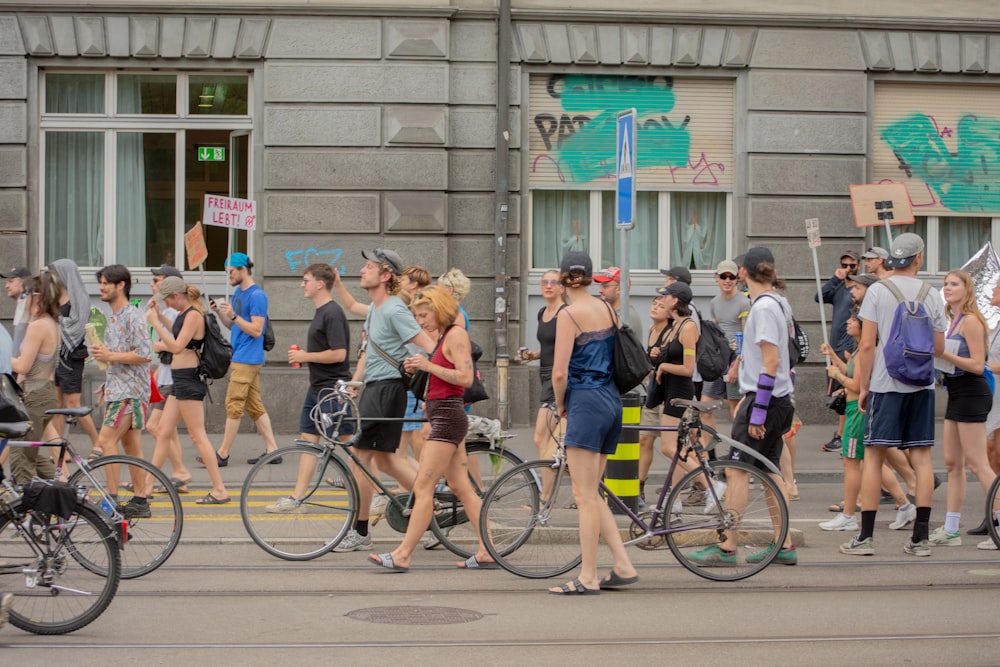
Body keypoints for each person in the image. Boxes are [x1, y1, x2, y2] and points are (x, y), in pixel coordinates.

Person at [368, 286, 496, 571]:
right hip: (442, 415)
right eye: (416, 316)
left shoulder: (456, 335)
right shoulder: (442, 337)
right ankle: (487, 550)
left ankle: (403, 554)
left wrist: (429, 365)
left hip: (449, 417)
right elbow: (443, 381)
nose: (420, 322)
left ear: (439, 310)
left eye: (423, 315)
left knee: (424, 487)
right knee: (461, 487)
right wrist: (419, 369)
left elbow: (464, 377)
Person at [689, 247, 798, 566]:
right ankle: (785, 545)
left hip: (764, 399)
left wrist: (759, 411)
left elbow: (771, 361)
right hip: (780, 398)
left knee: (737, 471)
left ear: (743, 274)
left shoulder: (763, 308)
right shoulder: (779, 302)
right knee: (769, 471)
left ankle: (726, 547)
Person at [842, 232, 946, 558]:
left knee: (873, 457)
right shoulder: (932, 294)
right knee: (922, 459)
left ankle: (865, 538)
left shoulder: (877, 291)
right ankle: (920, 539)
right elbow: (939, 348)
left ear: (892, 259)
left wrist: (866, 385)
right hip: (921, 384)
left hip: (886, 384)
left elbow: (868, 344)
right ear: (920, 258)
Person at [331, 248, 435, 552]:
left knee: (360, 458)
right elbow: (368, 351)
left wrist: (421, 366)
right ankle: (429, 509)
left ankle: (360, 531)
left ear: (385, 275)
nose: (362, 270)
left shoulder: (394, 310)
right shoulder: (377, 309)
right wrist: (355, 383)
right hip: (374, 388)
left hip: (388, 389)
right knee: (386, 460)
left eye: (368, 266)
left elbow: (428, 345)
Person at [548, 251, 638, 594]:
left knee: (583, 494)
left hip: (585, 400)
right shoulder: (607, 308)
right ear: (589, 277)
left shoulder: (568, 314)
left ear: (561, 278)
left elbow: (559, 372)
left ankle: (587, 576)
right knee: (594, 492)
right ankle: (623, 564)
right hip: (612, 400)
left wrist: (560, 404)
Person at [266, 264, 352, 513]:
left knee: (353, 446)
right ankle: (297, 498)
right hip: (317, 388)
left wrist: (306, 355)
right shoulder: (321, 312)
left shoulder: (332, 313)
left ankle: (379, 492)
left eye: (306, 280)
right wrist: (305, 356)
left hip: (331, 390)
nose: (302, 285)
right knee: (308, 441)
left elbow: (339, 354)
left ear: (320, 284)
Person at [143, 277, 229, 505]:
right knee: (163, 432)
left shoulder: (193, 315)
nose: (167, 304)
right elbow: (177, 331)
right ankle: (148, 486)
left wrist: (155, 323)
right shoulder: (184, 315)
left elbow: (177, 346)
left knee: (197, 435)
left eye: (167, 300)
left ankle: (219, 489)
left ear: (176, 296)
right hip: (179, 380)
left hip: (189, 380)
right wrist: (160, 316)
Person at [928, 270, 997, 548]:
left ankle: (999, 523)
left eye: (954, 284)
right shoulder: (953, 320)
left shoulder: (970, 321)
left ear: (967, 289)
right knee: (952, 463)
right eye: (945, 284)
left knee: (978, 463)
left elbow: (979, 365)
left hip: (972, 392)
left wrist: (943, 354)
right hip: (956, 392)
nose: (947, 288)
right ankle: (952, 528)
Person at [204, 253, 280, 466]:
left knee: (233, 404)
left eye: (231, 272)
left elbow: (256, 330)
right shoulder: (238, 292)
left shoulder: (257, 296)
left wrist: (235, 316)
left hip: (247, 358)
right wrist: (221, 313)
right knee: (254, 405)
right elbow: (233, 326)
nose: (229, 276)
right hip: (241, 355)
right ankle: (273, 450)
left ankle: (223, 453)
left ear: (242, 270)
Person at [90, 264, 153, 517]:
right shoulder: (114, 316)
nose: (101, 287)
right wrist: (107, 382)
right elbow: (118, 359)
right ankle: (140, 501)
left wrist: (109, 355)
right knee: (131, 447)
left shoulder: (133, 316)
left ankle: (111, 500)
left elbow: (145, 355)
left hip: (131, 392)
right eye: (101, 282)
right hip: (120, 389)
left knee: (106, 441)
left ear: (121, 285)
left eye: (106, 283)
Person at [652, 282, 705, 494]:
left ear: (675, 301)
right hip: (670, 391)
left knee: (668, 446)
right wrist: (659, 354)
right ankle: (675, 501)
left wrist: (664, 366)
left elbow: (689, 368)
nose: (662, 300)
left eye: (665, 296)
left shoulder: (688, 327)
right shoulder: (675, 325)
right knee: (676, 447)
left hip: (680, 392)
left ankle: (711, 486)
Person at [8, 273, 59, 483]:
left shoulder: (37, 326)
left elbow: (23, 365)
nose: (22, 301)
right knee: (32, 453)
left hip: (35, 394)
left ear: (35, 297)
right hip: (45, 391)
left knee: (20, 457)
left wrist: (5, 358)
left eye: (24, 296)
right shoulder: (51, 323)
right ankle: (64, 490)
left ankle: (25, 507)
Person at [145, 265, 192, 492]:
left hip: (174, 379)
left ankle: (179, 471)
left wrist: (157, 344)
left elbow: (178, 346)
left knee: (155, 427)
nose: (153, 285)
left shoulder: (175, 312)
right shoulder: (166, 310)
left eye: (157, 280)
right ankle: (178, 476)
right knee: (167, 431)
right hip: (165, 376)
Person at [47, 259, 100, 455]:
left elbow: (76, 326)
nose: (50, 277)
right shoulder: (53, 297)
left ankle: (97, 442)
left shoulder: (79, 297)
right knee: (56, 404)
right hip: (56, 356)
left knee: (72, 404)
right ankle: (60, 448)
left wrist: (55, 321)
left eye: (53, 272)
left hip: (72, 357)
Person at [816, 250, 861, 453]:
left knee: (846, 390)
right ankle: (844, 434)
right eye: (845, 265)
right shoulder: (840, 288)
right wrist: (835, 278)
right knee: (838, 391)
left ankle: (842, 435)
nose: (848, 269)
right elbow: (819, 296)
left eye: (852, 265)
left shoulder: (860, 290)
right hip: (835, 345)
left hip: (848, 346)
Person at [703, 259, 750, 417]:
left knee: (735, 407)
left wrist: (737, 365)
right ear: (717, 277)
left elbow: (747, 335)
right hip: (718, 359)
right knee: (705, 404)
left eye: (732, 277)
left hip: (735, 359)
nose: (728, 281)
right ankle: (707, 442)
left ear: (737, 279)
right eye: (724, 276)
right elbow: (714, 333)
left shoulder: (744, 303)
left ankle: (738, 441)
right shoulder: (714, 302)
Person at [638, 296, 670, 507]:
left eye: (661, 306)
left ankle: (704, 482)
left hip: (668, 393)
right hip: (652, 390)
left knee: (674, 446)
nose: (655, 308)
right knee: (644, 439)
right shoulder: (652, 329)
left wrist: (661, 355)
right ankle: (639, 487)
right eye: (654, 304)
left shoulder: (671, 331)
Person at [2, 265, 31, 354]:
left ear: (24, 283)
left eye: (11, 281)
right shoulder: (21, 303)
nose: (6, 286)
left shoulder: (29, 305)